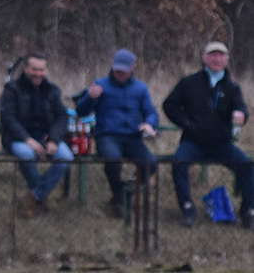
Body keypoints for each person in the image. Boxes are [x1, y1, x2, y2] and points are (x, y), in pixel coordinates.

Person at [162, 41, 254, 229]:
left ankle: (248, 212)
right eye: (212, 55)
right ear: (204, 58)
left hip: (221, 144)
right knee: (179, 162)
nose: (217, 59)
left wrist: (241, 115)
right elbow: (169, 105)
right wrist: (187, 123)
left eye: (221, 55)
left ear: (226, 59)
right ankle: (187, 209)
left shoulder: (232, 88)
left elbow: (241, 108)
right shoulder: (189, 83)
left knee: (247, 167)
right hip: (192, 142)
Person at [75, 49, 158, 216]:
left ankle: (127, 190)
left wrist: (149, 124)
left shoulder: (140, 88)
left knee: (150, 163)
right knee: (113, 160)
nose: (119, 73)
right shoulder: (100, 85)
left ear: (132, 68)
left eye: (124, 70)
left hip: (132, 137)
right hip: (108, 136)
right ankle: (120, 195)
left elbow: (150, 112)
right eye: (117, 69)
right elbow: (81, 112)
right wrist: (89, 98)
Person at [0, 52, 73, 217]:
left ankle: (34, 197)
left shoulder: (52, 90)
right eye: (34, 69)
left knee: (66, 157)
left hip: (46, 138)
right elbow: (8, 118)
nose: (38, 73)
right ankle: (41, 199)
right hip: (19, 139)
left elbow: (62, 117)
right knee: (26, 155)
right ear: (25, 69)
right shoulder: (12, 89)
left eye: (41, 70)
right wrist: (27, 140)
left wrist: (53, 140)